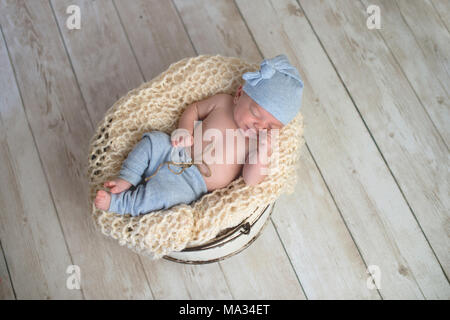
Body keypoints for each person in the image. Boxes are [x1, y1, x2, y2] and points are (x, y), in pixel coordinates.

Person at [94, 54, 304, 216]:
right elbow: (194, 109)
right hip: (176, 149)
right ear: (239, 95)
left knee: (164, 197)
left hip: (192, 183)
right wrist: (184, 130)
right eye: (256, 113)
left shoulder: (255, 144)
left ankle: (121, 203)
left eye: (270, 127)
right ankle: (127, 179)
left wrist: (264, 150)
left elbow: (251, 180)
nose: (260, 126)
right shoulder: (222, 102)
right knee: (151, 141)